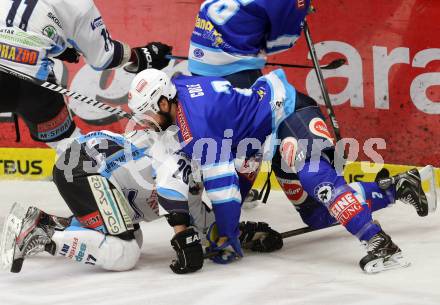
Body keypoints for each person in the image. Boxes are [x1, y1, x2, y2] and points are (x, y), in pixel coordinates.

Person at [125, 68, 436, 273]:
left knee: (313, 173)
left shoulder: (198, 125)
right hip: (265, 135)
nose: (147, 121)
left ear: (165, 102)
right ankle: (398, 187)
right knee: (316, 215)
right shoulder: (176, 87)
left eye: (149, 112)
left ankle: (381, 244)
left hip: (289, 110)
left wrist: (228, 237)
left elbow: (224, 190)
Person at [0, 129, 283, 274]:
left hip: (88, 162)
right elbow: (191, 216)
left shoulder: (190, 154)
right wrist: (226, 236)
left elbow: (203, 224)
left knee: (130, 236)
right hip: (84, 168)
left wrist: (240, 233)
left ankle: (51, 224)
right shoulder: (186, 169)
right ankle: (40, 232)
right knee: (124, 252)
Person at [0, 0, 172, 150]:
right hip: (29, 81)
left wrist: (57, 48)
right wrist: (143, 56)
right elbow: (104, 58)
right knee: (69, 148)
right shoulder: (80, 4)